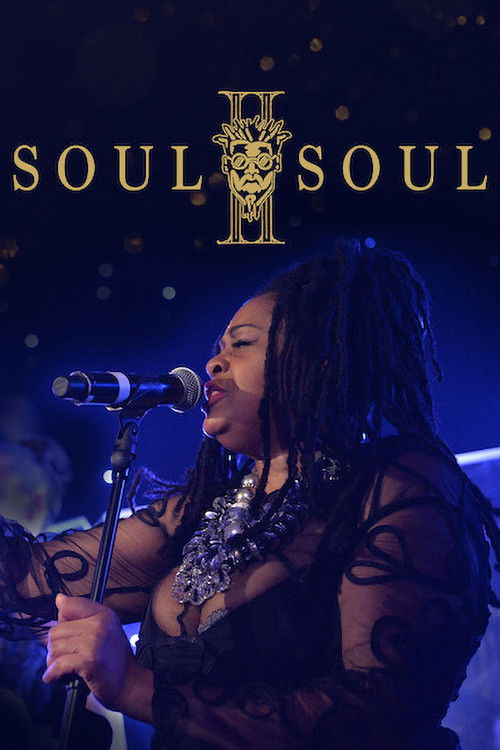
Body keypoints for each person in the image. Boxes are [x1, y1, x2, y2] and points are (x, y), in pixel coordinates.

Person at [0, 238, 499, 749]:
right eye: (217, 348)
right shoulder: (202, 514)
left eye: (240, 344)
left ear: (321, 362)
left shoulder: (399, 491)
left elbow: (373, 718)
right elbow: (22, 576)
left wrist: (135, 687)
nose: (213, 364)